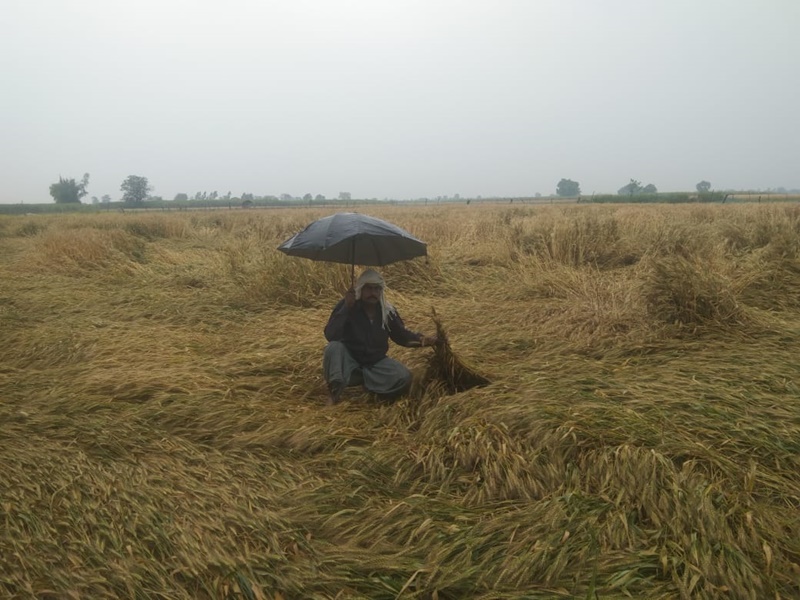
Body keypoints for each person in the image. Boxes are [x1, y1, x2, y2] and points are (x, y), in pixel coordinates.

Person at [323, 269, 438, 405]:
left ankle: (374, 389)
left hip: (376, 364)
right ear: (360, 289)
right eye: (369, 288)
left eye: (377, 289)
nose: (373, 293)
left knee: (404, 377)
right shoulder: (347, 305)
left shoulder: (387, 311)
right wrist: (346, 308)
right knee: (333, 348)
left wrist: (422, 340)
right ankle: (334, 394)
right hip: (350, 364)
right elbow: (330, 334)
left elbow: (402, 336)